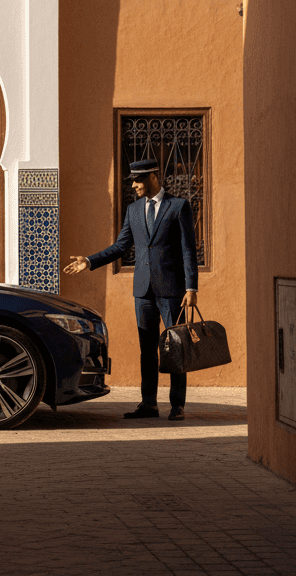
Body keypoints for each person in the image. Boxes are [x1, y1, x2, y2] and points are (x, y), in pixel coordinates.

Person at [63, 159, 198, 421]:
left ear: (153, 177)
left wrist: (191, 287)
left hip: (173, 291)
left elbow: (188, 250)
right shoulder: (133, 210)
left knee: (175, 347)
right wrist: (89, 261)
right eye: (133, 181)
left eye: (138, 180)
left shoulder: (178, 206)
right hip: (143, 291)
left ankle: (177, 405)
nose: (134, 185)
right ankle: (149, 404)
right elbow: (120, 246)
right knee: (146, 349)